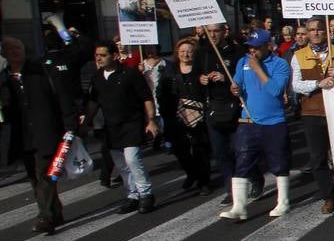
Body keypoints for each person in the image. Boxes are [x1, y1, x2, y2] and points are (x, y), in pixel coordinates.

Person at [0, 36, 80, 234]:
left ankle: (45, 216)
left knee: (45, 173)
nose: (14, 52)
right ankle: (55, 211)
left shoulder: (42, 70)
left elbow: (63, 97)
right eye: (10, 49)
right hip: (22, 136)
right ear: (4, 54)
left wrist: (70, 126)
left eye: (17, 47)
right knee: (34, 177)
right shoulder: (4, 78)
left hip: (46, 131)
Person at [219, 29, 292, 221]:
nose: (252, 51)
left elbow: (276, 90)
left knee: (279, 161)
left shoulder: (280, 64)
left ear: (268, 46)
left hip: (274, 121)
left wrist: (258, 69)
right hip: (249, 120)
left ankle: (283, 201)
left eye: (257, 47)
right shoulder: (243, 62)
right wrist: (234, 88)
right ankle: (239, 206)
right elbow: (237, 84)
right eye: (250, 47)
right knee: (242, 161)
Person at [86, 41, 158, 214]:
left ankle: (146, 195)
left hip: (131, 123)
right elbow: (93, 102)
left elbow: (146, 97)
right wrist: (86, 121)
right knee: (122, 164)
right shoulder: (97, 77)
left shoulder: (130, 74)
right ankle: (132, 195)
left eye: (103, 55)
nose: (99, 58)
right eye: (97, 55)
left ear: (115, 55)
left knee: (132, 160)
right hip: (111, 127)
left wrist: (151, 120)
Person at [291, 18, 334, 214]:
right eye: (311, 30)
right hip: (312, 112)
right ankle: (328, 196)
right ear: (307, 33)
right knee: (318, 157)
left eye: (319, 29)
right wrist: (318, 83)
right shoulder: (299, 55)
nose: (315, 33)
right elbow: (296, 85)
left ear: (326, 32)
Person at [196, 23, 246, 202]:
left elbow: (245, 76)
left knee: (240, 150)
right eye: (209, 31)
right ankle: (231, 189)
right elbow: (196, 74)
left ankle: (253, 178)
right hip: (214, 108)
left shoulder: (237, 51)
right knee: (220, 151)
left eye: (216, 31)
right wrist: (201, 78)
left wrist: (226, 78)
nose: (212, 35)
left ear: (224, 32)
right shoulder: (202, 52)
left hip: (235, 106)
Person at [157, 37, 213, 195]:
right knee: (180, 149)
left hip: (199, 115)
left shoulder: (201, 68)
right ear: (177, 53)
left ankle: (204, 181)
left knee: (201, 149)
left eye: (189, 51)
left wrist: (206, 82)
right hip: (176, 115)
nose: (185, 54)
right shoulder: (170, 69)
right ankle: (191, 173)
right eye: (182, 51)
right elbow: (161, 91)